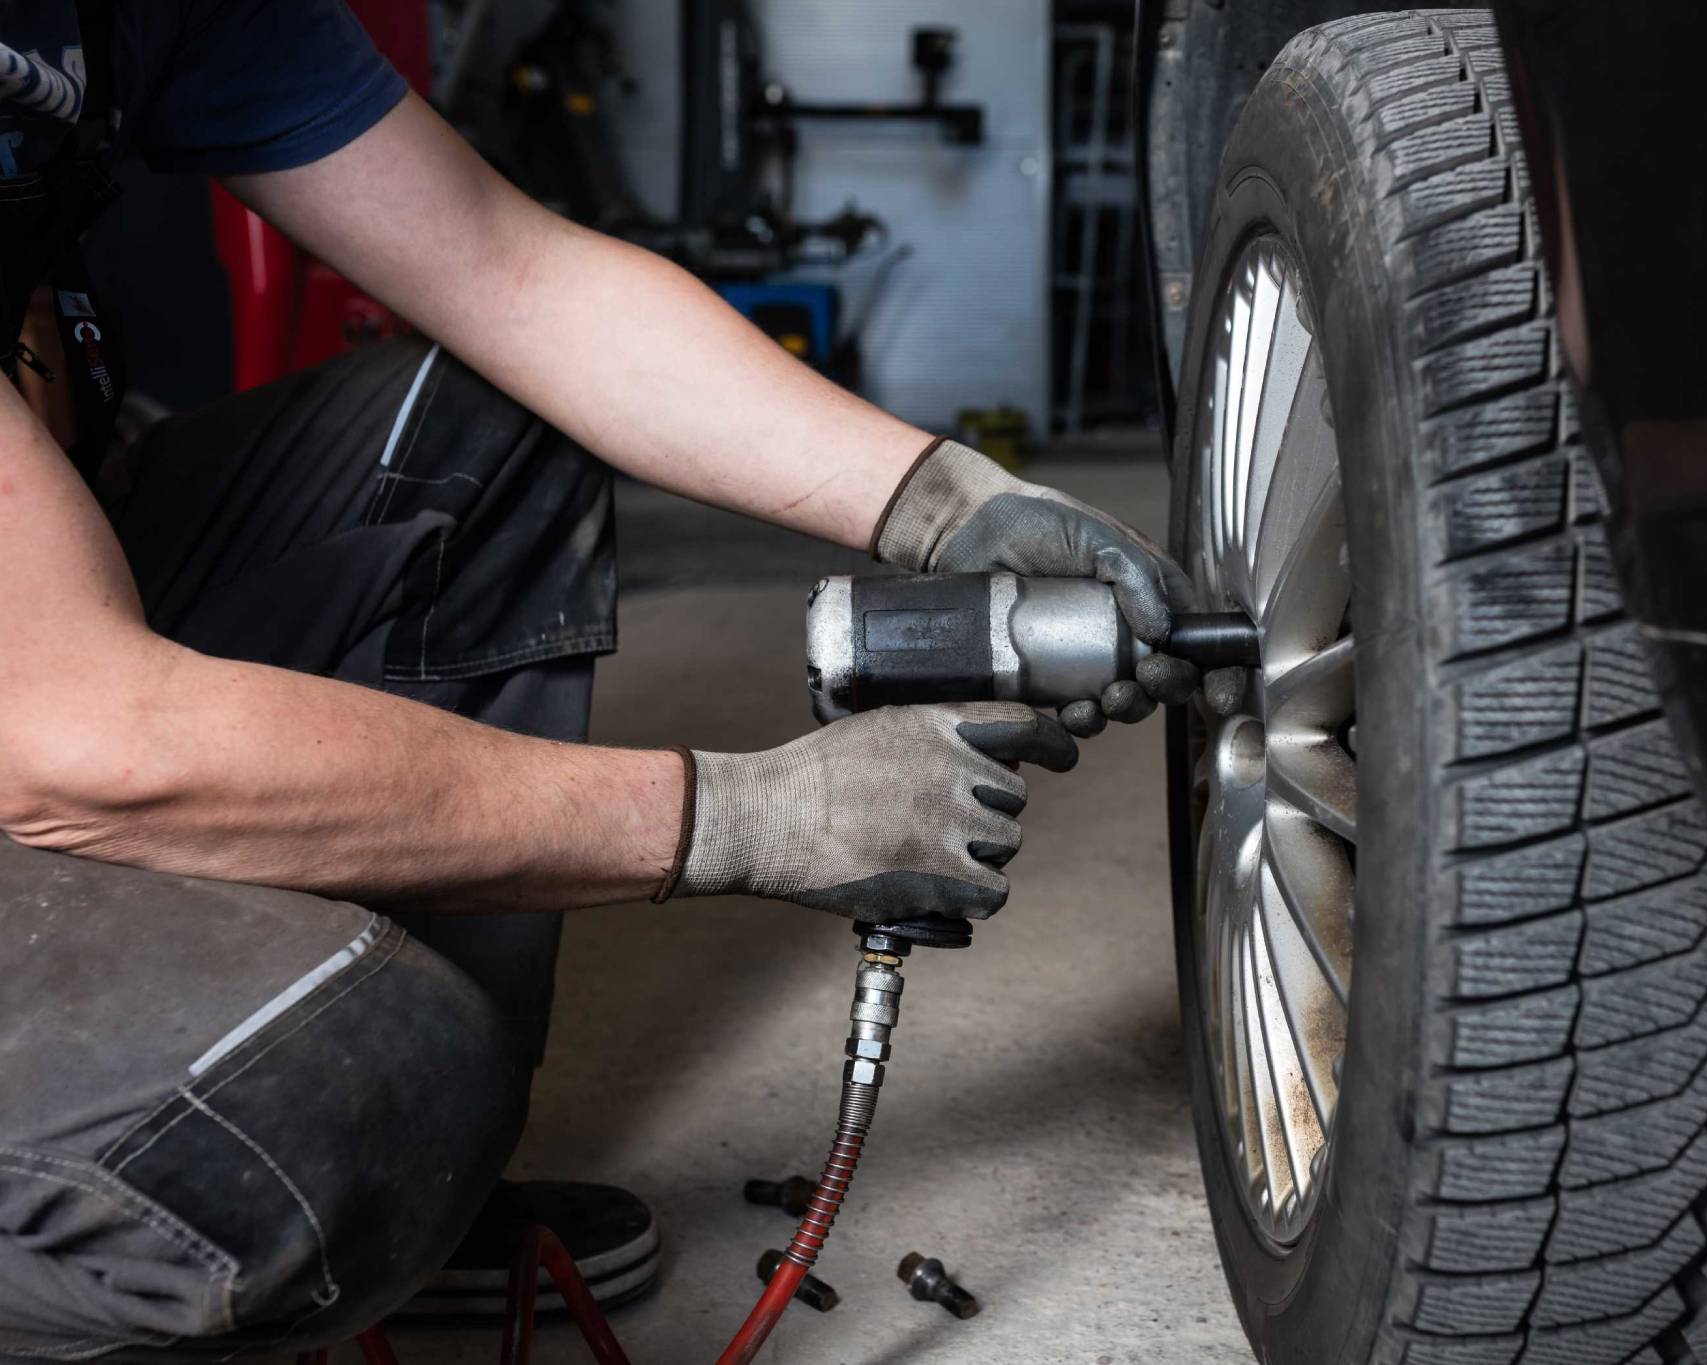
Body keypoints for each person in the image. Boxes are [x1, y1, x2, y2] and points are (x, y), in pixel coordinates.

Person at [0, 1, 1199, 1356]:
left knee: (491, 428)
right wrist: (744, 817)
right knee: (344, 1098)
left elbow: (515, 276)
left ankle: (416, 1187)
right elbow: (83, 736)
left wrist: (943, 500)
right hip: (46, 698)